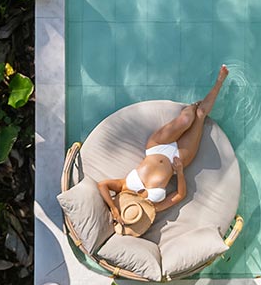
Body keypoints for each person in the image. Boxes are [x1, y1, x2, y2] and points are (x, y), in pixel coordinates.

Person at [97, 65, 229, 223]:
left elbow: (102, 185)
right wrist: (180, 172)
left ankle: (192, 105)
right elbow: (180, 195)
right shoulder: (152, 207)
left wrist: (113, 208)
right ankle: (220, 82)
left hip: (156, 146)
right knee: (200, 116)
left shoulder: (123, 187)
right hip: (178, 159)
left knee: (186, 119)